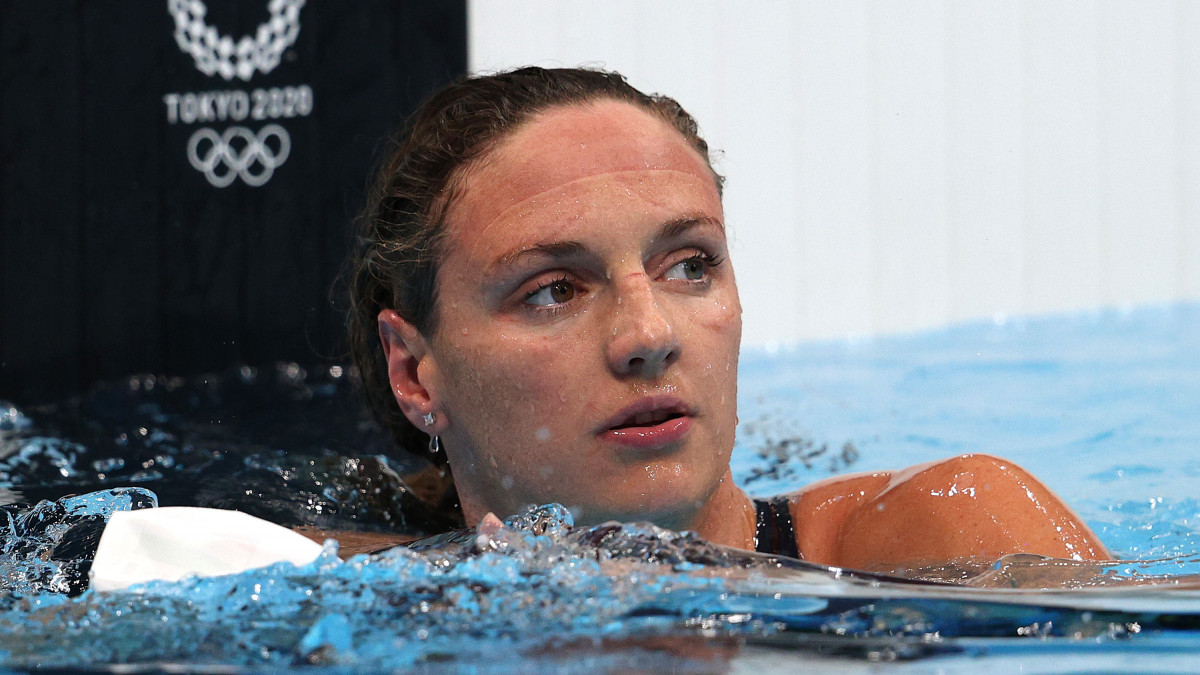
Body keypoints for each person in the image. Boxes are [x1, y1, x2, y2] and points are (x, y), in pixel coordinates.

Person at [345, 66, 1111, 572]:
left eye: (689, 265)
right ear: (415, 372)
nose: (650, 336)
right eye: (554, 290)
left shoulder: (950, 532)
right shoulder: (341, 585)